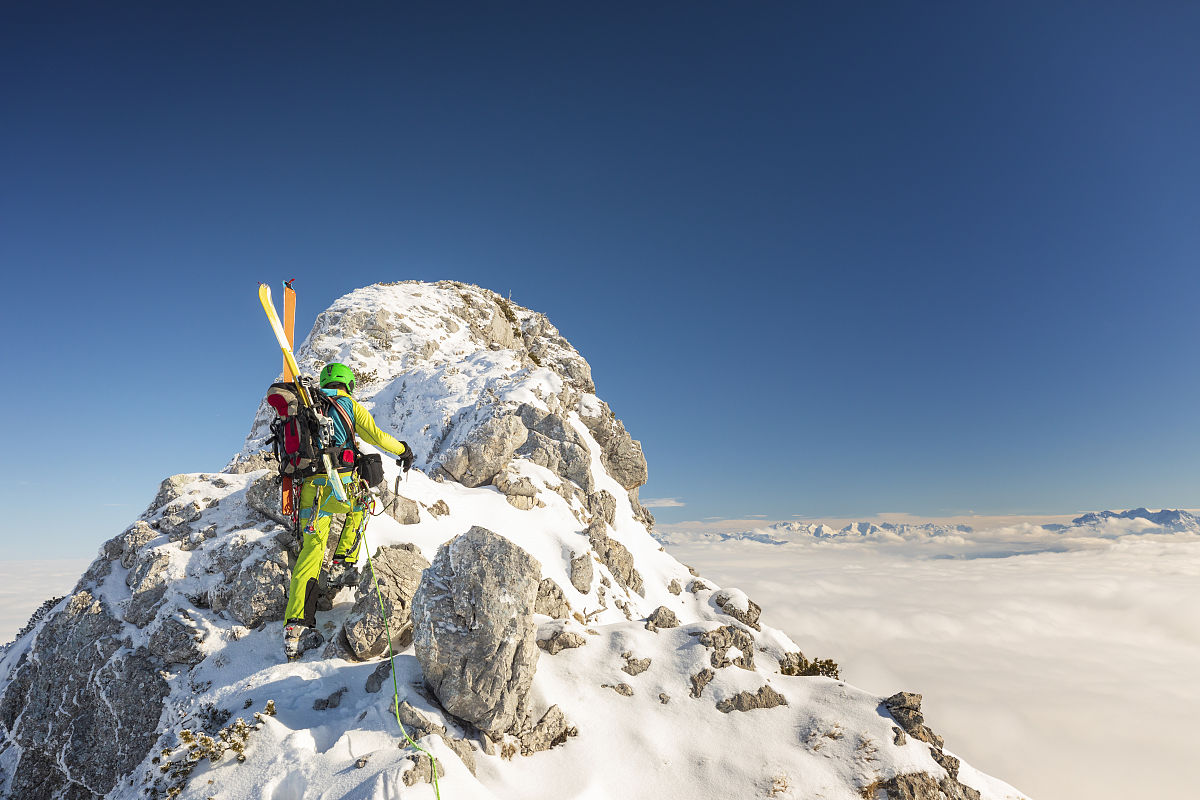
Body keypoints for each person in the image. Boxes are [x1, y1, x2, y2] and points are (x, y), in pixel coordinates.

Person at [284, 362, 415, 659]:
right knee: (362, 505)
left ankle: (294, 628)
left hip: (310, 490)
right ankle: (343, 562)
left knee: (310, 553)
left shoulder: (307, 405)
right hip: (341, 486)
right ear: (349, 384)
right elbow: (377, 437)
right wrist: (403, 450)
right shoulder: (349, 405)